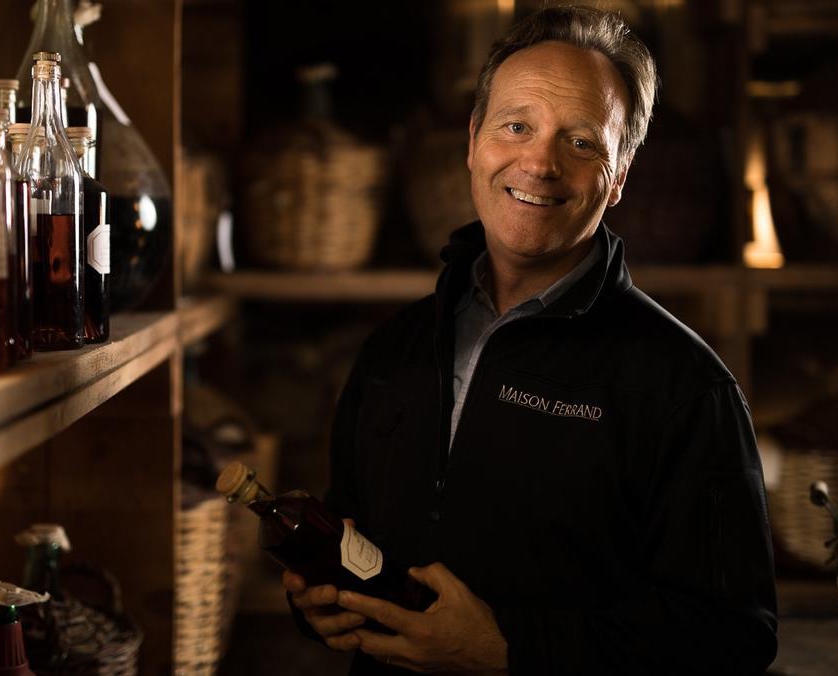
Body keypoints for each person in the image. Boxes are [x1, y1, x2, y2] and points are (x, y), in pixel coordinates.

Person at [283, 5, 779, 674]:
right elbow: (352, 538)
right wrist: (321, 603)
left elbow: (733, 638)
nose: (540, 163)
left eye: (581, 142)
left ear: (620, 174)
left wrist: (509, 652)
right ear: (473, 141)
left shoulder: (686, 388)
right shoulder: (393, 351)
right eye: (516, 127)